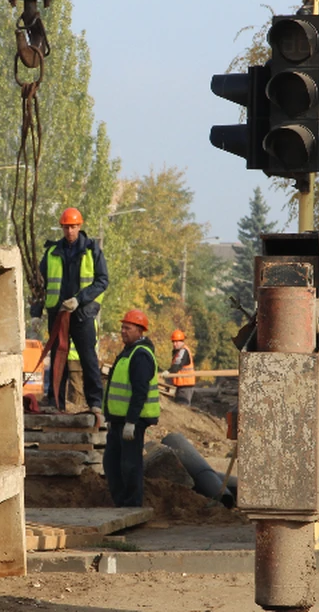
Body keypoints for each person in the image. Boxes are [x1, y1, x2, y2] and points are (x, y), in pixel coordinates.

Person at [30, 207, 108, 413]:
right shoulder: (53, 252)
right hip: (58, 314)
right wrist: (35, 313)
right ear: (62, 227)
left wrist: (80, 299)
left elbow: (102, 281)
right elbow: (40, 284)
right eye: (66, 227)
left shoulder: (92, 250)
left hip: (82, 313)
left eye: (73, 227)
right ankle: (56, 402)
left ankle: (95, 403)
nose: (69, 231)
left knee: (88, 358)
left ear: (79, 226)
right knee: (57, 359)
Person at [102, 309, 159, 507]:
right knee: (111, 463)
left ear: (140, 331)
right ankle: (121, 504)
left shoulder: (141, 355)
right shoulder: (127, 352)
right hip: (118, 421)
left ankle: (132, 505)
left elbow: (139, 392)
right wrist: (110, 418)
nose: (123, 331)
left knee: (130, 465)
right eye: (122, 327)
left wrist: (131, 422)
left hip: (132, 422)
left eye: (128, 328)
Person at [168, 329, 195, 406]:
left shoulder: (183, 351)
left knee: (183, 408)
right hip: (181, 385)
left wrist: (168, 372)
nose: (174, 344)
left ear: (182, 341)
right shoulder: (178, 352)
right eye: (173, 341)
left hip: (185, 386)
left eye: (177, 341)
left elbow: (177, 366)